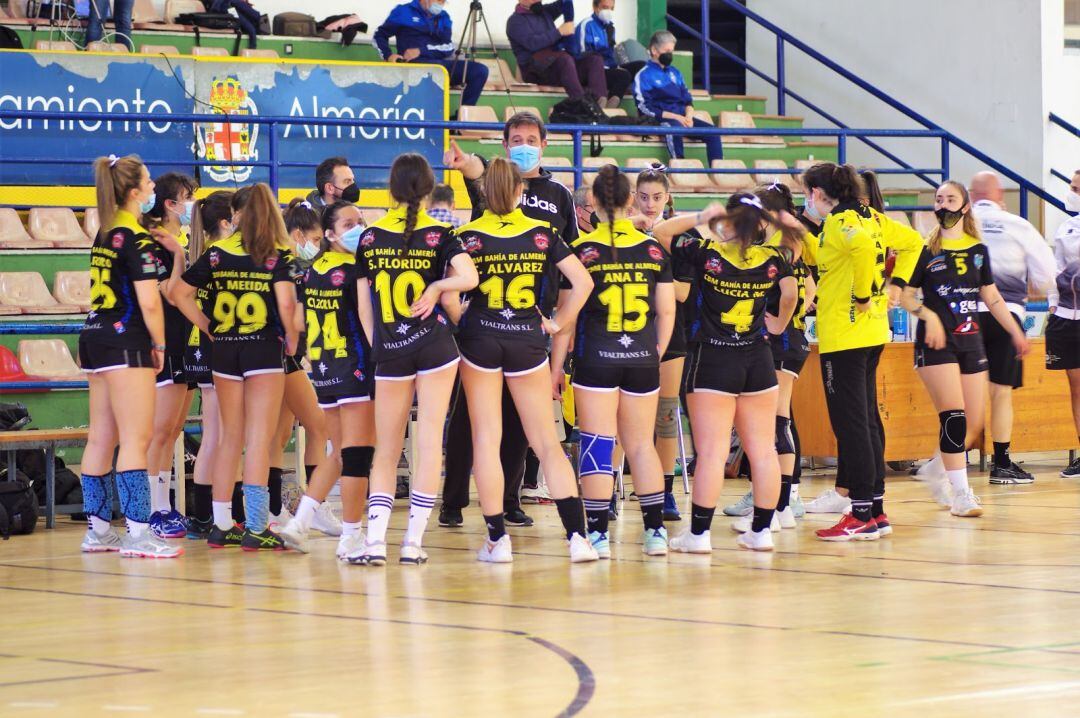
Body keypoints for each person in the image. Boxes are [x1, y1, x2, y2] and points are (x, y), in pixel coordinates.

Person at [452, 156, 596, 562]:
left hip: (479, 337)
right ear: (520, 192)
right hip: (527, 340)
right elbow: (582, 281)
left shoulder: (466, 235)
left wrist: (459, 315)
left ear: (482, 192)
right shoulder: (543, 232)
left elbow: (451, 293)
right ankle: (577, 538)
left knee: (486, 438)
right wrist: (558, 323)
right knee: (547, 444)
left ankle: (497, 540)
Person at [440, 112, 579, 527]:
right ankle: (454, 502)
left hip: (527, 318)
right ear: (504, 146)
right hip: (497, 323)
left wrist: (558, 320)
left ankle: (507, 506)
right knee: (473, 420)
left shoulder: (558, 194)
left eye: (530, 138)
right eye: (515, 138)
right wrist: (464, 164)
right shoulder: (492, 181)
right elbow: (474, 167)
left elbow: (572, 262)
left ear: (544, 144)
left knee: (517, 423)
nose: (523, 144)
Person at [350, 153, 479, 566]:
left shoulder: (369, 237)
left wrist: (381, 346)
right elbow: (470, 277)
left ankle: (373, 542)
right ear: (427, 190)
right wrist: (439, 284)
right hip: (436, 347)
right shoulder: (441, 234)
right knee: (427, 444)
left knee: (386, 448)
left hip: (390, 351)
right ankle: (412, 542)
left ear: (391, 188)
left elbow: (364, 309)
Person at [652, 194, 799, 552]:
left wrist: (703, 215)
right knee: (763, 450)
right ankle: (762, 531)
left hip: (713, 362)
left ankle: (699, 535)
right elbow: (792, 290)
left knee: (713, 452)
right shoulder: (774, 258)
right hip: (758, 361)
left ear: (730, 221)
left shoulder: (707, 253)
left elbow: (660, 230)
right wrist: (779, 324)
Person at [549, 164, 676, 557]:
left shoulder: (581, 252)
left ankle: (599, 535)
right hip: (641, 359)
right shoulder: (654, 248)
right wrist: (656, 351)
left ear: (591, 203)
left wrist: (555, 369)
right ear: (628, 200)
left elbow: (566, 320)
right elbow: (667, 311)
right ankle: (655, 532)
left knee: (597, 444)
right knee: (641, 444)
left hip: (595, 359)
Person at [171, 183, 300, 551]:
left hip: (224, 349)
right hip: (262, 351)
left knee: (228, 436)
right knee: (259, 437)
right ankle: (256, 526)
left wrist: (205, 324)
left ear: (240, 213)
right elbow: (288, 307)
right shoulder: (278, 254)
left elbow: (178, 293)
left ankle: (221, 523)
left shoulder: (216, 253)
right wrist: (291, 340)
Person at [800, 162, 922, 541]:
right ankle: (877, 509)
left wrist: (866, 294)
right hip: (870, 332)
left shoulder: (841, 222)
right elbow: (914, 242)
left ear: (819, 194)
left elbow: (863, 247)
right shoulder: (868, 215)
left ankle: (862, 512)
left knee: (851, 424)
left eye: (808, 193)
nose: (808, 200)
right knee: (867, 418)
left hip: (846, 334)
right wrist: (897, 283)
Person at [901, 180, 1029, 517]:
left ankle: (936, 469)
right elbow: (905, 296)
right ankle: (962, 493)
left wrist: (1015, 332)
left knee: (973, 423)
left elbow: (992, 297)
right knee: (954, 417)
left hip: (971, 340)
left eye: (951, 199)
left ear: (965, 206)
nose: (943, 205)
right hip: (936, 343)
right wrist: (927, 316)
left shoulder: (977, 251)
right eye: (939, 199)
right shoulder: (926, 251)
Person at [78, 154, 181, 558]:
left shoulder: (104, 232)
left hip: (94, 337)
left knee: (101, 437)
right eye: (150, 181)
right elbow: (151, 302)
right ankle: (139, 534)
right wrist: (159, 344)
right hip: (126, 340)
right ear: (135, 191)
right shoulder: (135, 238)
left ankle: (99, 531)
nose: (154, 186)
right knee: (136, 438)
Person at [280, 201, 375, 559]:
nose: (359, 227)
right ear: (331, 234)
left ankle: (299, 522)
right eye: (349, 223)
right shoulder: (355, 269)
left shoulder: (311, 270)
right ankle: (351, 536)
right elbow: (368, 317)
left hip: (322, 371)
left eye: (361, 220)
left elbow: (301, 322)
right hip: (355, 368)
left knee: (338, 453)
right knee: (357, 454)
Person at [722, 183, 817, 528]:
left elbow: (794, 292)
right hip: (792, 341)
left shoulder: (779, 246)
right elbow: (811, 288)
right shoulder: (793, 240)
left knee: (774, 423)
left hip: (780, 343)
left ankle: (779, 504)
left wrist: (780, 323)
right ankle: (782, 502)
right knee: (779, 421)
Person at [968, 171, 1056, 484]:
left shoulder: (961, 225)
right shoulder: (1018, 225)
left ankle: (947, 460)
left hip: (964, 315)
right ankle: (1001, 463)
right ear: (999, 195)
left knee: (962, 392)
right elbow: (1047, 275)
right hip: (1007, 315)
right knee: (1000, 392)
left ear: (970, 194)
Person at [629, 166, 686, 520]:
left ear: (668, 198)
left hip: (669, 335)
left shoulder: (680, 236)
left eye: (658, 198)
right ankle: (610, 494)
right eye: (644, 197)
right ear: (633, 196)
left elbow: (682, 293)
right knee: (623, 418)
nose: (650, 205)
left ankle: (665, 492)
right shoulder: (620, 234)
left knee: (665, 416)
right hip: (626, 332)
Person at [143, 172, 198, 540]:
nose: (191, 203)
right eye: (186, 197)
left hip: (186, 343)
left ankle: (165, 504)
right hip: (165, 343)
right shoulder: (157, 244)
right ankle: (152, 508)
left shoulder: (187, 240)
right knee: (160, 431)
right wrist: (179, 255)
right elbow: (168, 291)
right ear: (170, 204)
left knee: (176, 429)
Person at [181, 190, 233, 540]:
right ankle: (210, 516)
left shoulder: (200, 254)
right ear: (226, 222)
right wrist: (208, 324)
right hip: (213, 347)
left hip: (198, 348)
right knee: (221, 435)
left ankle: (207, 516)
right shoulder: (220, 256)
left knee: (216, 434)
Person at [373, 0, 489, 108]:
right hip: (413, 67)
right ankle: (432, 118)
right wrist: (388, 56)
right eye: (438, 0)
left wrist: (421, 50)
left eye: (443, 1)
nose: (440, 4)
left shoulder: (444, 17)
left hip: (441, 65)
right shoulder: (403, 11)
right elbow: (379, 35)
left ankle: (462, 120)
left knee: (479, 70)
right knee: (432, 73)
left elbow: (448, 47)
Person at [633, 31, 723, 166]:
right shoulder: (643, 75)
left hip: (682, 117)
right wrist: (677, 118)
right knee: (675, 129)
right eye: (667, 50)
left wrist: (689, 116)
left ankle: (718, 172)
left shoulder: (676, 72)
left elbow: (687, 99)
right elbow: (644, 107)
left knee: (713, 132)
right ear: (654, 50)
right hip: (661, 119)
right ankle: (680, 168)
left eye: (672, 51)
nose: (670, 54)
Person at [506, 0, 608, 101]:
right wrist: (560, 31)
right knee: (565, 59)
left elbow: (566, 3)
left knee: (594, 60)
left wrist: (569, 21)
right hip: (535, 71)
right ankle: (583, 105)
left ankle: (598, 103)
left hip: (558, 65)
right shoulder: (515, 21)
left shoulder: (544, 12)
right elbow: (533, 44)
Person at [1048, 170, 1080, 478]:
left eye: (1078, 188)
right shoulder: (1066, 228)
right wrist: (1053, 305)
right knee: (1076, 387)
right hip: (1068, 318)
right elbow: (1054, 269)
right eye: (1072, 187)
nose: (1073, 192)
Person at [571, 0, 639, 108]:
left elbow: (610, 55)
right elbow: (581, 54)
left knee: (640, 66)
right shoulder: (587, 25)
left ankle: (611, 107)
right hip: (591, 71)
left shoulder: (610, 28)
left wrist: (615, 67)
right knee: (623, 75)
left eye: (611, 8)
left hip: (607, 69)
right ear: (595, 7)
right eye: (605, 7)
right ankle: (604, 108)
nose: (608, 11)